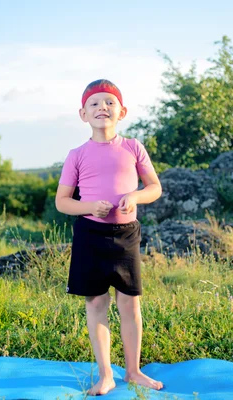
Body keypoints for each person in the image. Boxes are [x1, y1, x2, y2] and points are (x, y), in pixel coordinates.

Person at [55, 79, 164, 395]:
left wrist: (135, 196)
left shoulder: (133, 147)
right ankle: (105, 375)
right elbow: (62, 202)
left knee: (130, 304)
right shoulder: (77, 154)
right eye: (94, 104)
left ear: (122, 111)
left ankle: (133, 371)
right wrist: (90, 206)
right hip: (90, 234)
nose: (102, 107)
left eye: (109, 102)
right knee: (96, 302)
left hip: (126, 235)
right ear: (83, 114)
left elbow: (154, 187)